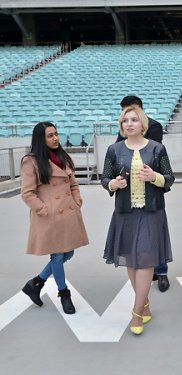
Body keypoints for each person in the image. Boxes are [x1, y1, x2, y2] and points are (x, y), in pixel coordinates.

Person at [102, 105, 175, 335]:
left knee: (145, 260)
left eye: (134, 119)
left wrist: (154, 177)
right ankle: (144, 304)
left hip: (151, 212)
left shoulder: (157, 148)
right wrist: (114, 184)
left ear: (143, 124)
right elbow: (104, 179)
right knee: (131, 261)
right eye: (125, 121)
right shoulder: (114, 150)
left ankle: (136, 312)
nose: (129, 124)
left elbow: (170, 178)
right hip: (125, 213)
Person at [21, 122, 89, 314]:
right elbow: (27, 193)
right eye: (50, 136)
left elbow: (73, 185)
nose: (55, 138)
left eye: (56, 134)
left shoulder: (62, 157)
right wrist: (45, 210)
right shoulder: (31, 161)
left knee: (69, 253)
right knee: (58, 256)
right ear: (40, 139)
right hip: (49, 217)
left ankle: (36, 283)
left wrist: (77, 202)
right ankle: (64, 294)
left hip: (68, 213)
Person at [117, 95, 170, 292]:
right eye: (124, 114)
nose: (128, 120)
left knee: (154, 236)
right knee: (137, 239)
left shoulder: (153, 126)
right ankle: (145, 277)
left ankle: (162, 272)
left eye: (131, 112)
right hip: (130, 191)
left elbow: (151, 150)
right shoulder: (125, 128)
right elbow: (119, 151)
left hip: (149, 185)